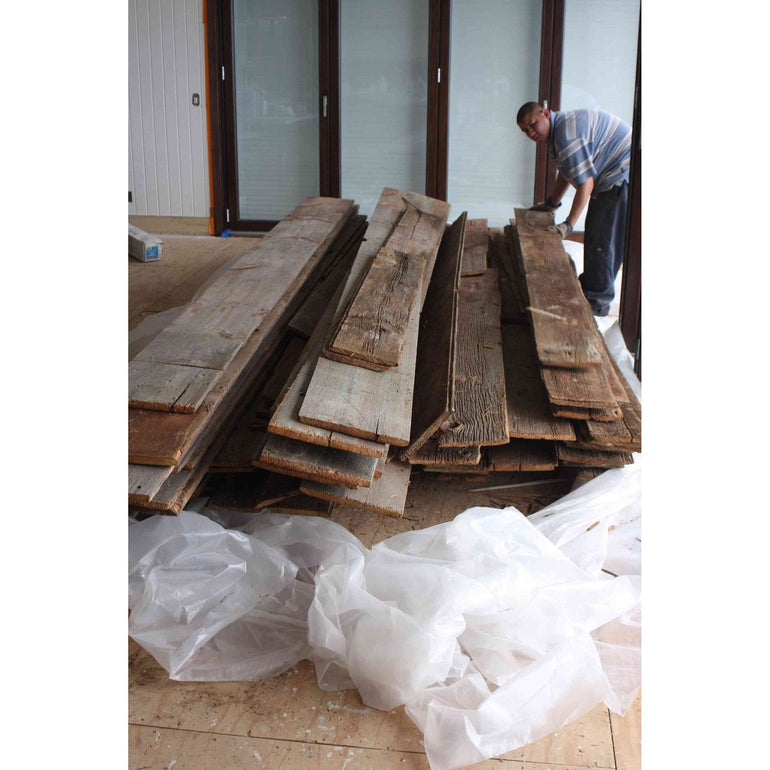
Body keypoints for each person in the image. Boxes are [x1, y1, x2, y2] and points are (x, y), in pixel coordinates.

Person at [516, 102, 631, 316]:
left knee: (601, 239)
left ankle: (597, 302)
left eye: (533, 124)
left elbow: (586, 184)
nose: (531, 133)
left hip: (622, 171)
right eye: (525, 131)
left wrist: (568, 225)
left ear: (545, 113)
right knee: (600, 236)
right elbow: (567, 171)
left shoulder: (566, 137)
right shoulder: (559, 131)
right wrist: (551, 204)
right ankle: (594, 289)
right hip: (615, 169)